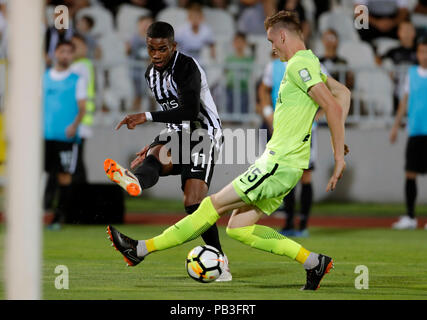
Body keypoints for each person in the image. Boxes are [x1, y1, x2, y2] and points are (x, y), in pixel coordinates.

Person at [107, 11, 351, 290]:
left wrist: (338, 155)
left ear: (283, 36)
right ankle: (313, 263)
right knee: (239, 228)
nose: (272, 48)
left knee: (207, 207)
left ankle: (140, 250)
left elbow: (332, 105)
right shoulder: (310, 63)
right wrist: (338, 134)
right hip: (284, 166)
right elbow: (343, 94)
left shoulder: (298, 64)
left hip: (277, 164)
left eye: (272, 41)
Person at [103, 21, 232, 281]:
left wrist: (146, 116)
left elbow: (190, 111)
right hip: (179, 133)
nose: (156, 54)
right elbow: (176, 119)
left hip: (204, 135)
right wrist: (157, 141)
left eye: (162, 49)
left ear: (173, 46)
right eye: (151, 49)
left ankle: (220, 262)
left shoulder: (186, 67)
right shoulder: (151, 74)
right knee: (153, 156)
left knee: (193, 203)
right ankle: (135, 181)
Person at [258, 53, 329, 238]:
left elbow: (331, 95)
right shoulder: (273, 66)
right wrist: (268, 114)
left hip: (304, 132)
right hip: (281, 131)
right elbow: (264, 90)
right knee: (285, 175)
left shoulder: (314, 65)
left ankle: (303, 224)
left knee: (305, 174)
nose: (273, 47)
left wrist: (315, 117)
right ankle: (289, 222)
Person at [43, 40, 86, 229]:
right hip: (44, 135)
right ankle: (38, 213)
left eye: (69, 52)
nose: (66, 55)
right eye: (62, 51)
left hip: (66, 137)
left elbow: (82, 107)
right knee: (42, 175)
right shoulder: (44, 77)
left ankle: (58, 217)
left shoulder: (77, 79)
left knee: (64, 176)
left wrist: (74, 125)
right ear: (55, 53)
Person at [389, 37, 427, 230]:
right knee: (410, 173)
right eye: (421, 51)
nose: (424, 55)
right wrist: (396, 126)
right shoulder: (411, 74)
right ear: (417, 53)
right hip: (415, 132)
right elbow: (404, 102)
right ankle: (411, 217)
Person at [381, 21, 418, 113]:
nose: (407, 33)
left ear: (414, 33)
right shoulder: (393, 51)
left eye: (409, 30)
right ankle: (399, 113)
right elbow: (380, 60)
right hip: (398, 84)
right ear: (399, 33)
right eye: (404, 30)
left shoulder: (420, 50)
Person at [126, 15, 154, 111]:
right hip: (137, 72)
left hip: (151, 72)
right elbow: (129, 52)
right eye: (144, 23)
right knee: (137, 95)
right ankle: (134, 116)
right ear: (139, 24)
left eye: (149, 24)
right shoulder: (134, 39)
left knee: (152, 95)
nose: (146, 26)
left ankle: (153, 116)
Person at [225, 32, 254, 114]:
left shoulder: (249, 59)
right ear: (233, 43)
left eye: (241, 42)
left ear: (245, 43)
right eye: (237, 42)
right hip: (231, 88)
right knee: (230, 108)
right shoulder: (229, 59)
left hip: (243, 88)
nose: (239, 45)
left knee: (243, 110)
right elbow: (225, 72)